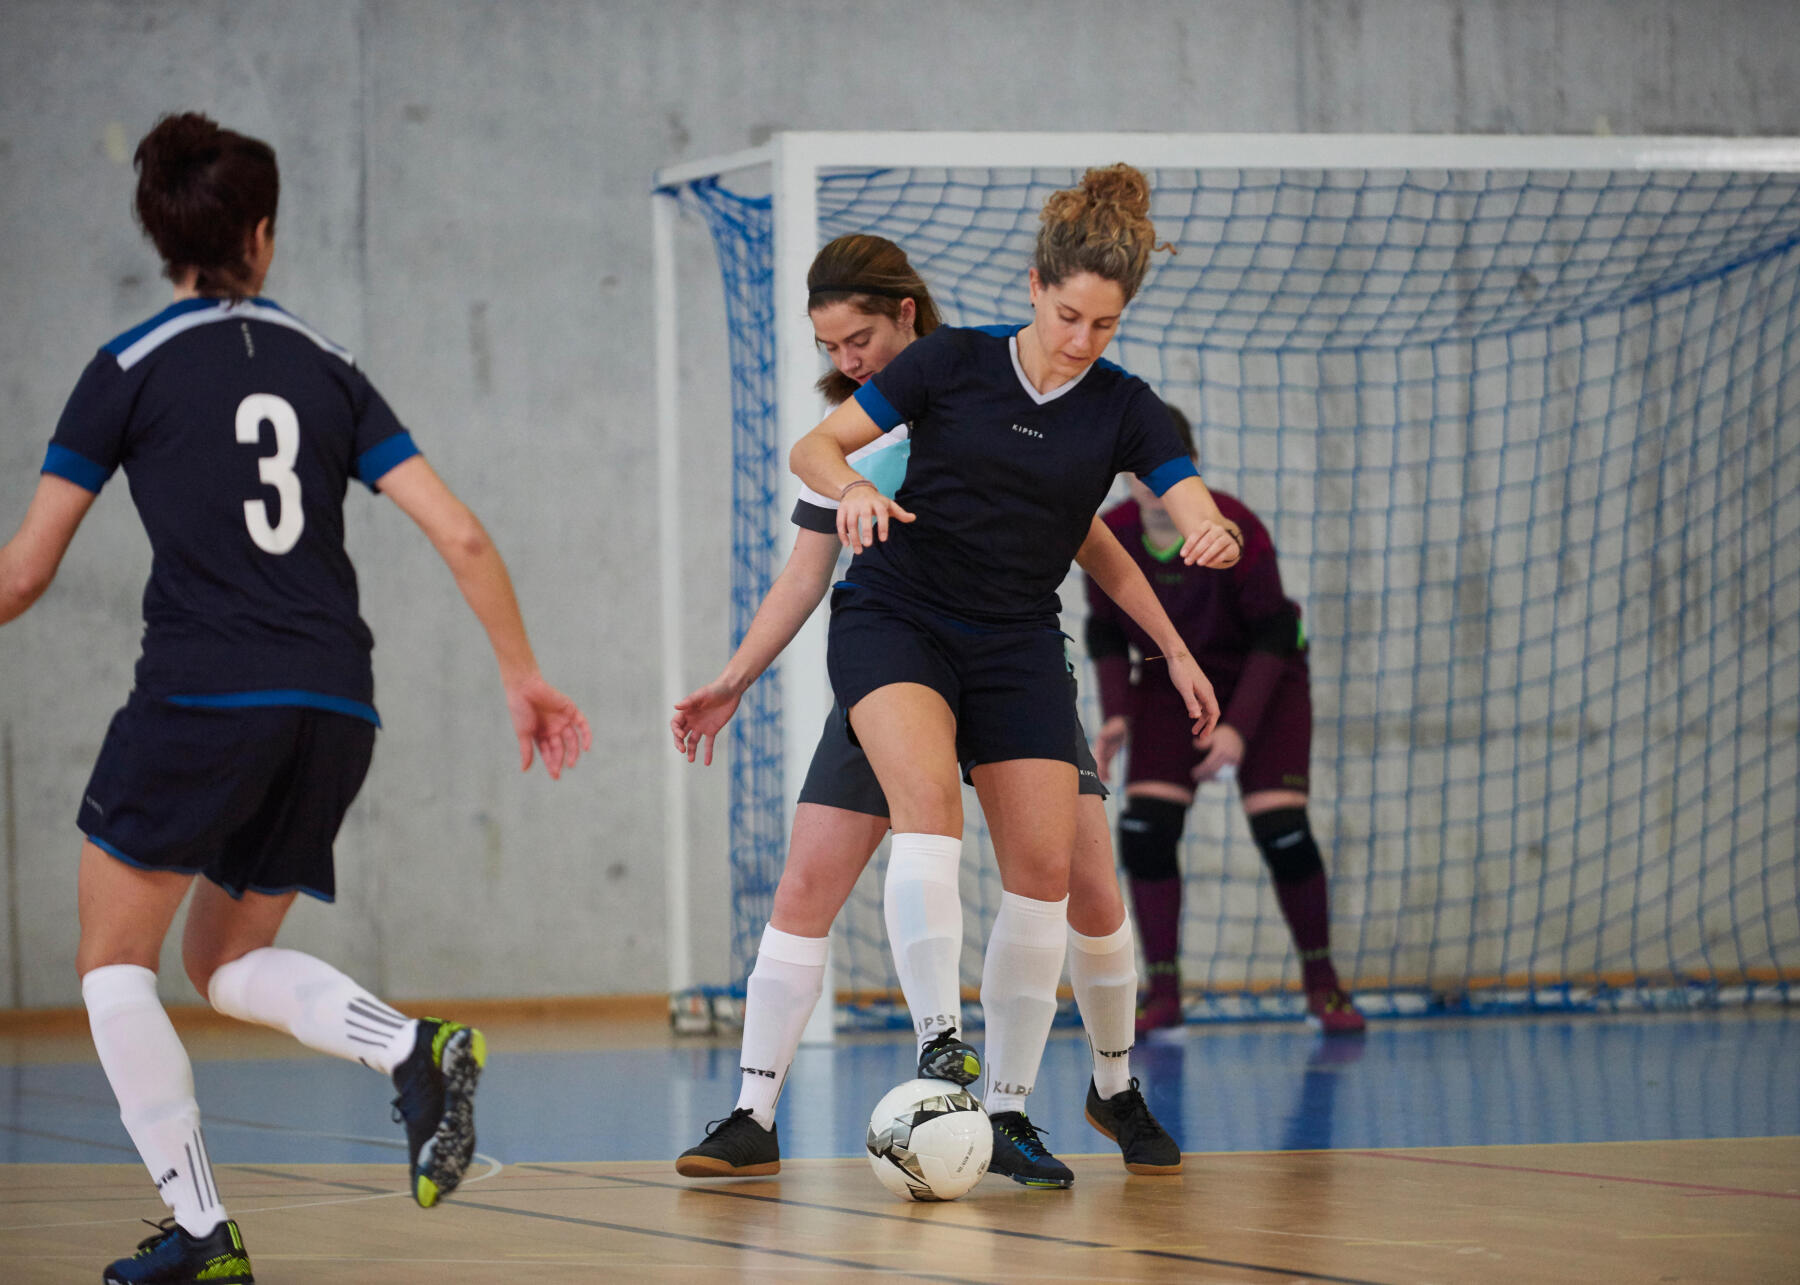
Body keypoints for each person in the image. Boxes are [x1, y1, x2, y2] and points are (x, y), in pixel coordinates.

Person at [0, 113, 591, 1284]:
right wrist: (521, 673)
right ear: (262, 236)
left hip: (199, 696)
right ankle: (413, 1049)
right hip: (333, 704)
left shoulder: (124, 368)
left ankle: (203, 1233)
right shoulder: (330, 369)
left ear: (158, 234)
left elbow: (22, 574)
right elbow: (461, 533)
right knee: (222, 958)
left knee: (116, 965)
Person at [672, 234, 1195, 1186]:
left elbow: (1092, 542)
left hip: (1008, 654)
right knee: (809, 881)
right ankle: (754, 1112)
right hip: (901, 651)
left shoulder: (981, 387)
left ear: (907, 316)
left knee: (1084, 882)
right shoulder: (854, 440)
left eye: (859, 338)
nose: (847, 362)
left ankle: (1094, 1091)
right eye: (830, 348)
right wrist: (736, 676)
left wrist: (1169, 641)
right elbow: (805, 573)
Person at [790, 166, 1245, 1188]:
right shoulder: (950, 362)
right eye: (1070, 314)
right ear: (1037, 286)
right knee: (927, 815)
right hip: (899, 615)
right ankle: (939, 1043)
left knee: (1046, 871)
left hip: (1014, 639)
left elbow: (1178, 491)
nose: (1083, 339)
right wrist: (855, 485)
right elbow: (815, 445)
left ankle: (1005, 1109)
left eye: (1106, 325)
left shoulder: (1126, 407)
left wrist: (1205, 531)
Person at [1086, 403, 1365, 1036]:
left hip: (1263, 681)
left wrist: (1237, 727)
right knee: (1146, 832)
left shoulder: (1233, 526)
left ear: (1191, 471)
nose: (1154, 489)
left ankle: (1324, 987)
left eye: (1166, 474)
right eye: (1138, 474)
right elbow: (1105, 632)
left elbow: (1275, 629)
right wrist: (1117, 718)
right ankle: (1163, 993)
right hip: (1168, 681)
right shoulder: (1112, 531)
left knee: (1283, 829)